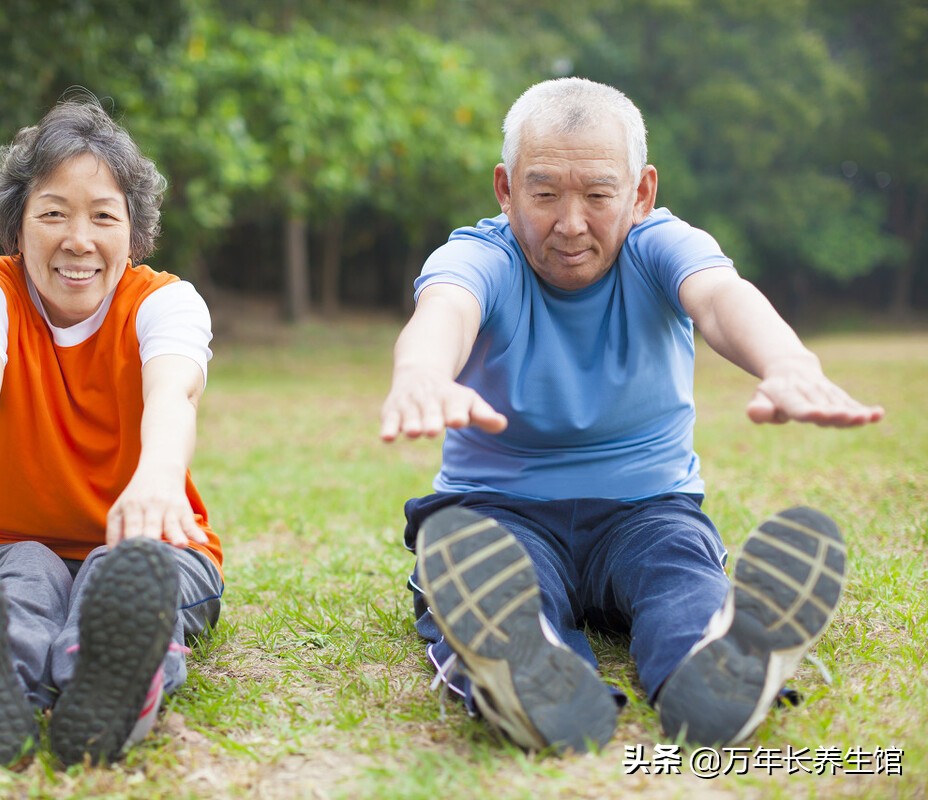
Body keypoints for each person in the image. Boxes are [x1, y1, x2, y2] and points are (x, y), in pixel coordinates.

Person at [379, 77, 884, 753]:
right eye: (544, 192)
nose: (570, 223)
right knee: (497, 583)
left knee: (680, 578)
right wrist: (419, 373)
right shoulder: (481, 255)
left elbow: (719, 298)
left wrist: (787, 363)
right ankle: (527, 672)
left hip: (648, 510)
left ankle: (718, 659)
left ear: (641, 193)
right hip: (500, 511)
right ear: (505, 189)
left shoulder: (660, 247)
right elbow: (446, 309)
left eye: (597, 193)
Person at [0, 90, 224, 768]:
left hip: (153, 544)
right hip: (18, 540)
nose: (78, 239)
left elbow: (174, 394)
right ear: (17, 227)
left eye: (103, 216)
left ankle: (117, 678)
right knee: (26, 579)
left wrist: (157, 477)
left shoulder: (167, 302)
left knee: (119, 573)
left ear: (134, 231)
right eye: (53, 214)